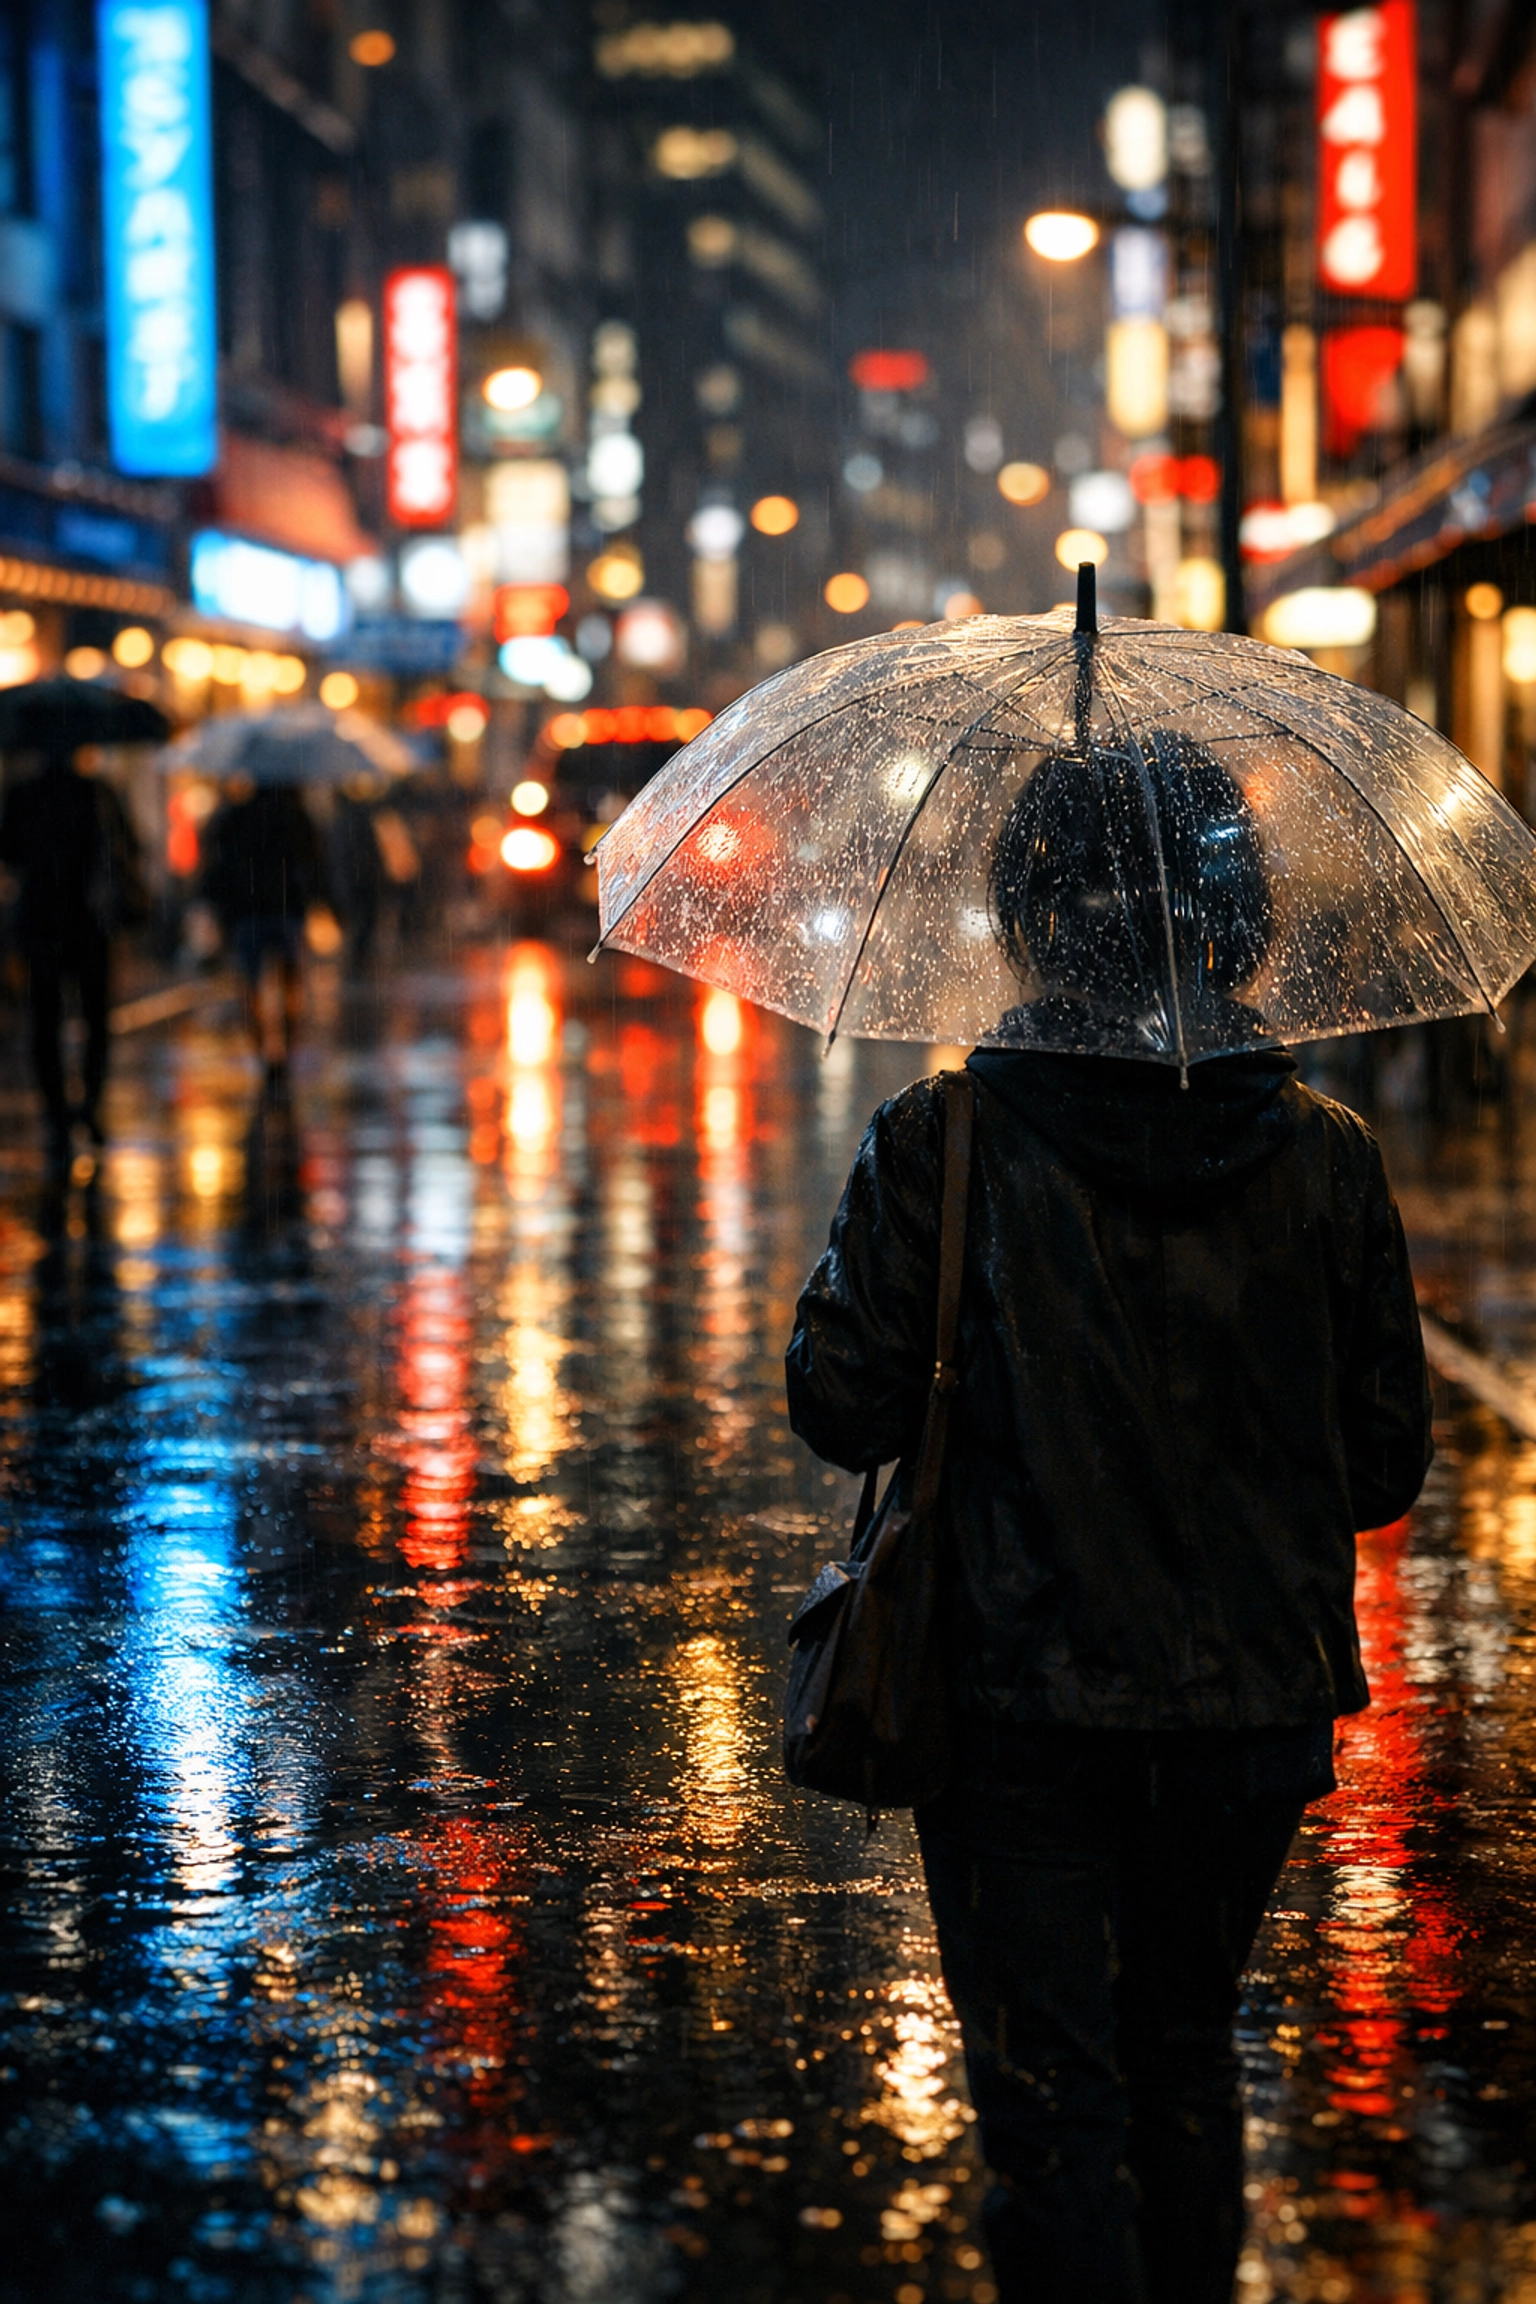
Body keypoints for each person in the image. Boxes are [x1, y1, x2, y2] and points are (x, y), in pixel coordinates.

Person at [785, 733, 1433, 2304]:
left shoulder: (942, 1141)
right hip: (1251, 1713)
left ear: (1024, 908)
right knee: (1185, 2066)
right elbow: (1384, 1461)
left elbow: (841, 1405)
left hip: (1014, 1705)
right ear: (1240, 905)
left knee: (1050, 2099)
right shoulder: (1328, 1158)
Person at [0, 744, 145, 1170]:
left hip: (42, 921)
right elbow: (128, 847)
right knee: (95, 1020)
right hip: (88, 921)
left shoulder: (22, 793)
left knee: (45, 1022)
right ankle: (89, 1108)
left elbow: (7, 852)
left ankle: (57, 1116)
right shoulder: (98, 793)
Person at [200, 776, 329, 1072]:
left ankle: (263, 1053)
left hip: (249, 912)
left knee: (251, 984)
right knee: (290, 980)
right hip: (287, 910)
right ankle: (285, 1047)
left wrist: (217, 902)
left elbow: (221, 865)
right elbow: (316, 864)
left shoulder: (236, 815)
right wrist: (322, 899)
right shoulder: (297, 816)